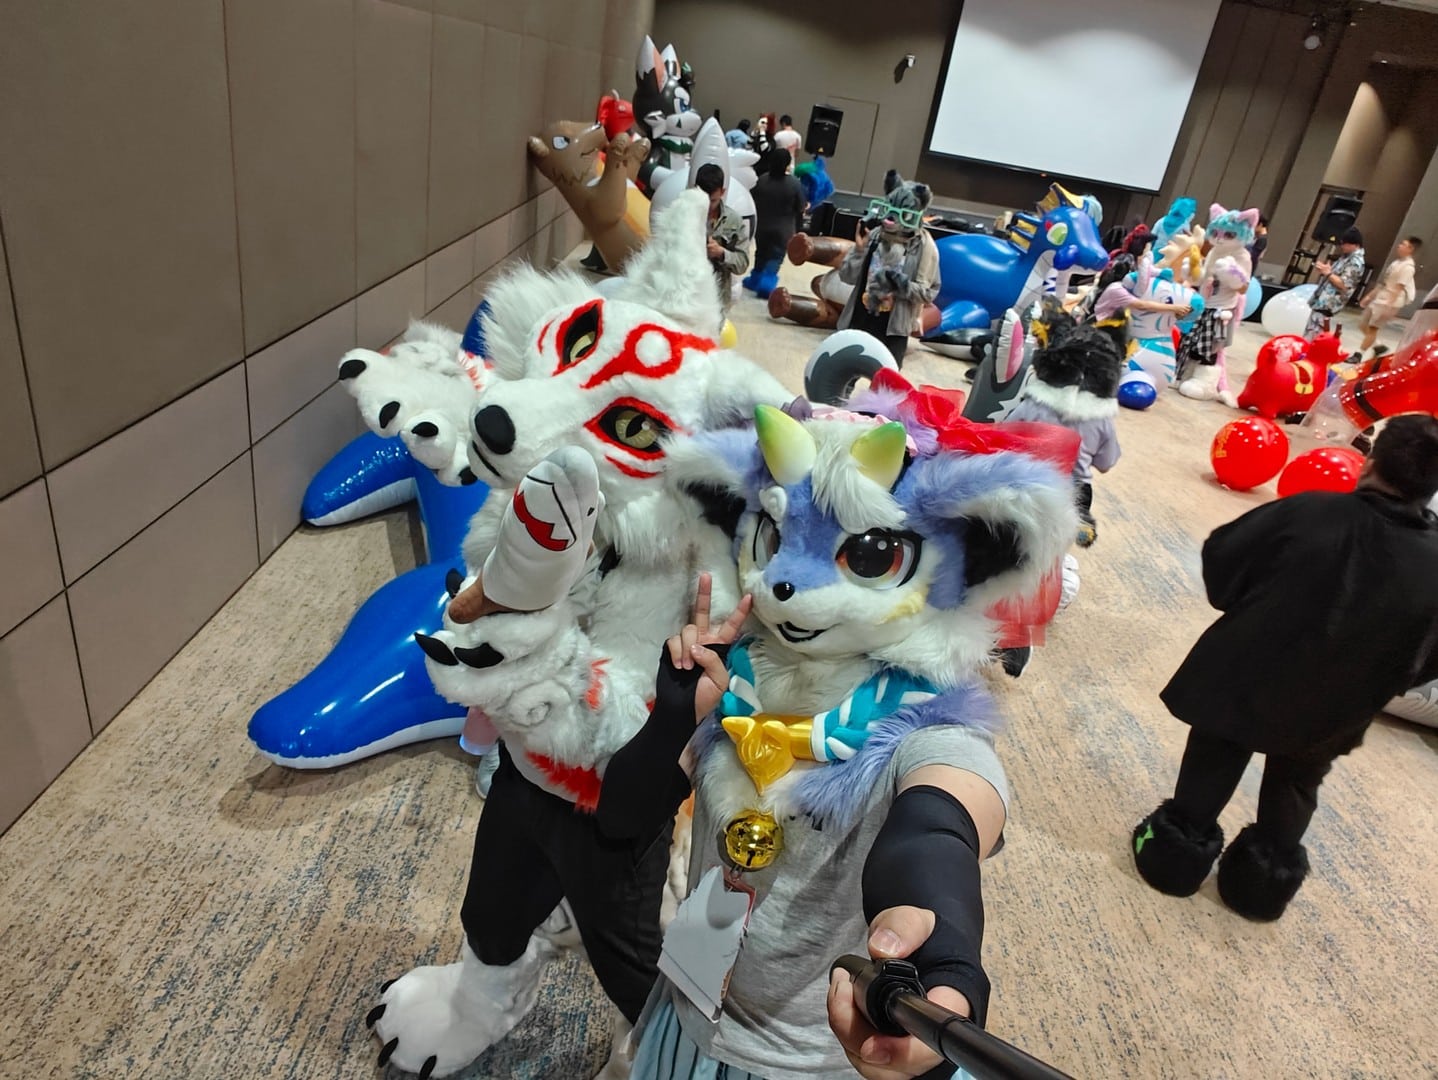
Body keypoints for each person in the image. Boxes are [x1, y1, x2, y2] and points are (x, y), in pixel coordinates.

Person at [1132, 414, 1438, 921]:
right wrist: (1381, 680)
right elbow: (1426, 663)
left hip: (1246, 672)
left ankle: (1173, 856)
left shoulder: (1308, 511)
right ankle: (1262, 885)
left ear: (1370, 463)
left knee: (1217, 752)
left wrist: (1243, 604)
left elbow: (1223, 557)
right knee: (1297, 780)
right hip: (1338, 702)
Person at [835, 171, 941, 366]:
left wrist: (899, 285)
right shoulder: (875, 235)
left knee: (886, 379)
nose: (891, 218)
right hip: (860, 318)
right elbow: (847, 276)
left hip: (894, 329)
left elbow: (928, 293)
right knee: (844, 370)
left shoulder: (925, 248)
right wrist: (859, 250)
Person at [741, 148, 807, 298]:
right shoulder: (794, 184)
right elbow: (800, 206)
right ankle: (766, 285)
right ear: (787, 164)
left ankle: (754, 280)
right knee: (775, 257)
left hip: (762, 226)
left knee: (761, 253)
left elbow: (752, 199)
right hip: (783, 229)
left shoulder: (762, 180)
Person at [696, 163, 750, 324]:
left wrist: (722, 253)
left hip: (716, 300)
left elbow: (742, 263)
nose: (707, 206)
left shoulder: (734, 221)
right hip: (687, 295)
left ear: (722, 192)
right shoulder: (682, 215)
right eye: (703, 200)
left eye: (712, 200)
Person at [1354, 236, 1420, 362]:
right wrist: (1369, 296)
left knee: (1373, 328)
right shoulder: (1396, 263)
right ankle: (1378, 346)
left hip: (1390, 301)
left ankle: (1358, 354)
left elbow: (1399, 287)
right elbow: (1384, 282)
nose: (1399, 246)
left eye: (1403, 244)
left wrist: (1389, 305)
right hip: (1381, 297)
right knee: (1363, 324)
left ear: (1410, 249)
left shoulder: (1408, 267)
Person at [1306, 226, 1366, 339]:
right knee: (1312, 330)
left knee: (1314, 334)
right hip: (1323, 300)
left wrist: (1328, 273)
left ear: (1355, 244)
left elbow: (1344, 285)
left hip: (1329, 302)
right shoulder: (1346, 257)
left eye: (1345, 244)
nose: (1342, 246)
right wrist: (1327, 271)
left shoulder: (1355, 262)